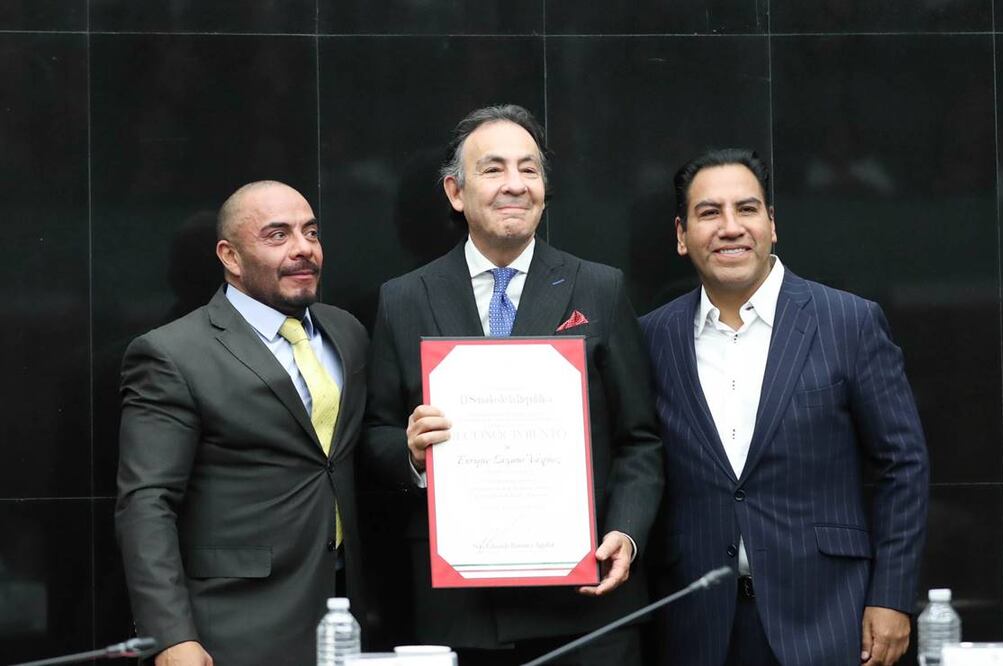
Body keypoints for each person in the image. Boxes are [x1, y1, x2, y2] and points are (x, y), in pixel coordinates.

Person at [363, 104, 664, 665]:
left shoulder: (598, 288)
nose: (515, 185)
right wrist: (410, 451)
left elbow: (640, 439)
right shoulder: (405, 298)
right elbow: (375, 432)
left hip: (585, 600)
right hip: (460, 609)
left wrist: (627, 531)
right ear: (455, 192)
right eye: (494, 169)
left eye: (529, 169)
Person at [640, 149, 929, 666]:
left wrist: (892, 596)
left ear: (771, 225)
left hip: (828, 617)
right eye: (709, 213)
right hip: (696, 625)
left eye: (747, 209)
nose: (730, 227)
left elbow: (902, 465)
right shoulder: (652, 337)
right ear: (682, 235)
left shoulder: (849, 322)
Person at [115, 181, 369, 666]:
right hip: (233, 623)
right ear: (230, 256)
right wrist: (169, 636)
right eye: (278, 235)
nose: (303, 248)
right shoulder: (172, 354)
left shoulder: (347, 333)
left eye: (311, 232)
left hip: (344, 616)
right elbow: (147, 502)